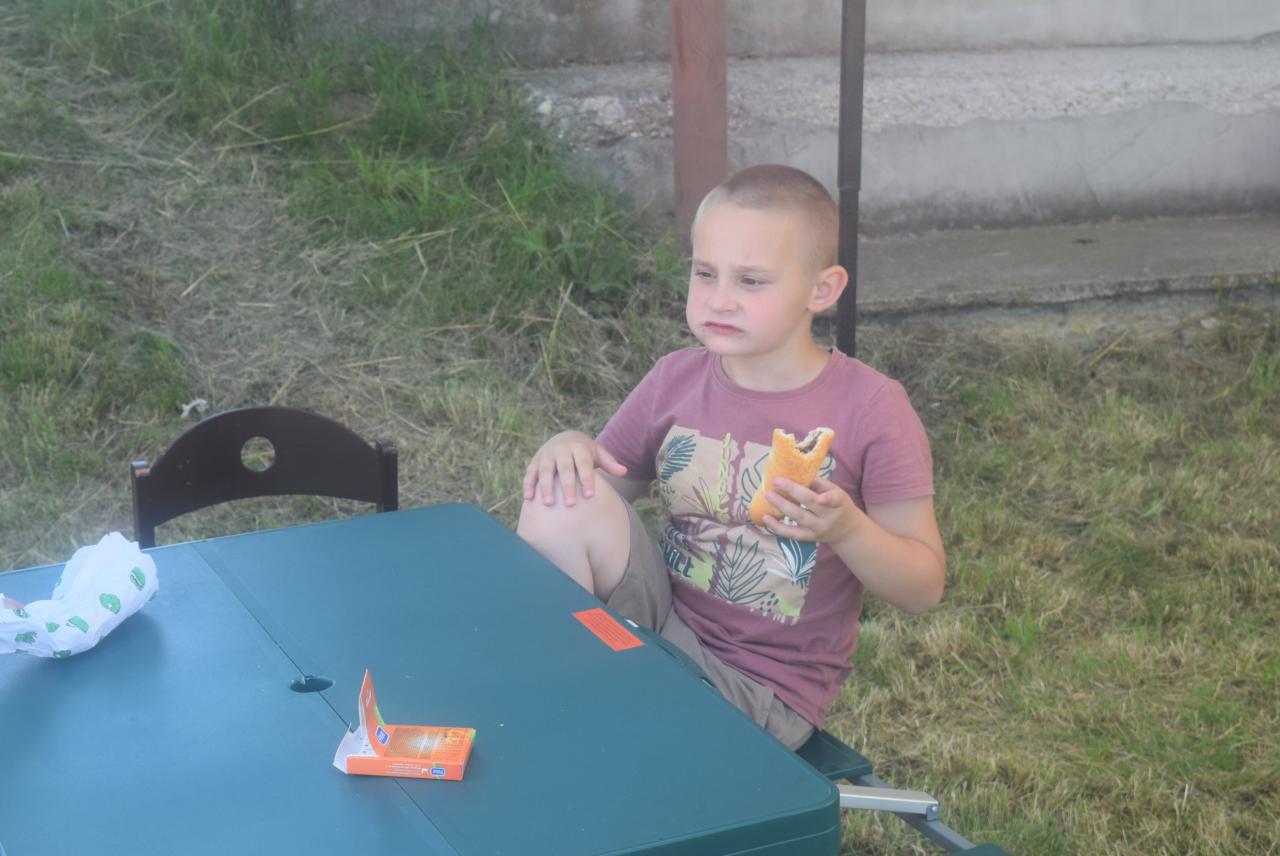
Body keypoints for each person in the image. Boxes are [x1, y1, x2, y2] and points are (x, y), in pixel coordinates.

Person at [517, 164, 945, 749]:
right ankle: (557, 685)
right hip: (662, 625)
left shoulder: (870, 407)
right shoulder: (675, 378)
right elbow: (594, 498)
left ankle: (580, 707)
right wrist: (566, 446)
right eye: (705, 273)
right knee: (561, 495)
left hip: (759, 690)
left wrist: (847, 530)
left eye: (751, 281)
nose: (719, 299)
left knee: (615, 732)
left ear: (821, 290)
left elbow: (923, 588)